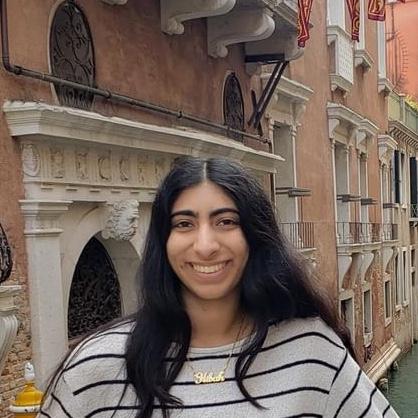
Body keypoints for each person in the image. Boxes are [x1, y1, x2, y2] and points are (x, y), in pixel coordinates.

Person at [39, 157, 399, 418]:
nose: (205, 246)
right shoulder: (97, 366)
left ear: (254, 235)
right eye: (184, 224)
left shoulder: (312, 351)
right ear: (163, 241)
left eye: (225, 221)